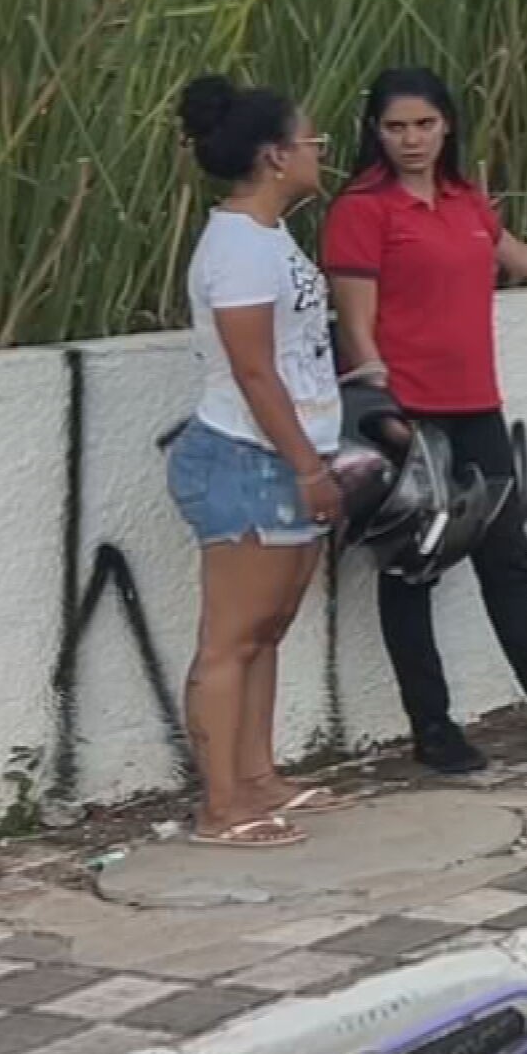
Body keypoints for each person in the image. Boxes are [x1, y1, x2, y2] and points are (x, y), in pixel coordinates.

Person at [319, 68, 527, 774]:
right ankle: (432, 728)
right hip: (409, 416)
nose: (411, 139)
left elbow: (520, 256)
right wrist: (385, 417)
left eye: (424, 125)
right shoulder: (362, 208)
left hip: (477, 408)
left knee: (508, 561)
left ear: (448, 126)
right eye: (395, 126)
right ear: (374, 132)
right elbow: (356, 325)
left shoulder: (465, 198)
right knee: (412, 568)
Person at [163, 76, 350, 849]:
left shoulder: (268, 236)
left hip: (285, 454)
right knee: (230, 640)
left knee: (267, 630)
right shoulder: (238, 247)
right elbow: (252, 370)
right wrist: (308, 467)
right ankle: (220, 806)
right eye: (312, 143)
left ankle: (257, 776)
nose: (319, 154)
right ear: (276, 156)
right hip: (247, 460)